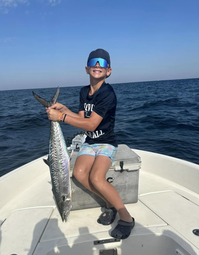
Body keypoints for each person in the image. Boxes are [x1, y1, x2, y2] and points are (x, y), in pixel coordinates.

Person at [46, 48, 135, 239]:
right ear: (86, 69)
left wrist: (60, 117)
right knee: (78, 173)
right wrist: (64, 109)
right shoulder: (84, 92)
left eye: (102, 64)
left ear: (108, 71)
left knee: (96, 178)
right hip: (90, 142)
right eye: (93, 62)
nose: (97, 66)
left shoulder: (107, 93)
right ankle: (109, 204)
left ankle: (126, 218)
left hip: (106, 143)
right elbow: (81, 117)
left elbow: (92, 123)